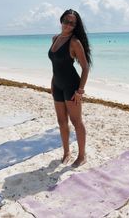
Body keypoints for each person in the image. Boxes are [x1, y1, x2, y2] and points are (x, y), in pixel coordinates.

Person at [48, 9, 92, 167]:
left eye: (72, 23)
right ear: (61, 20)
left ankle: (82, 155)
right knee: (61, 121)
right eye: (66, 20)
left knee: (76, 121)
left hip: (72, 86)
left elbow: (85, 67)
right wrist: (52, 83)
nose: (68, 25)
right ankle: (66, 152)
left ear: (75, 26)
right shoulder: (55, 38)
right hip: (57, 85)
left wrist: (80, 91)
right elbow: (56, 65)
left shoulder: (74, 42)